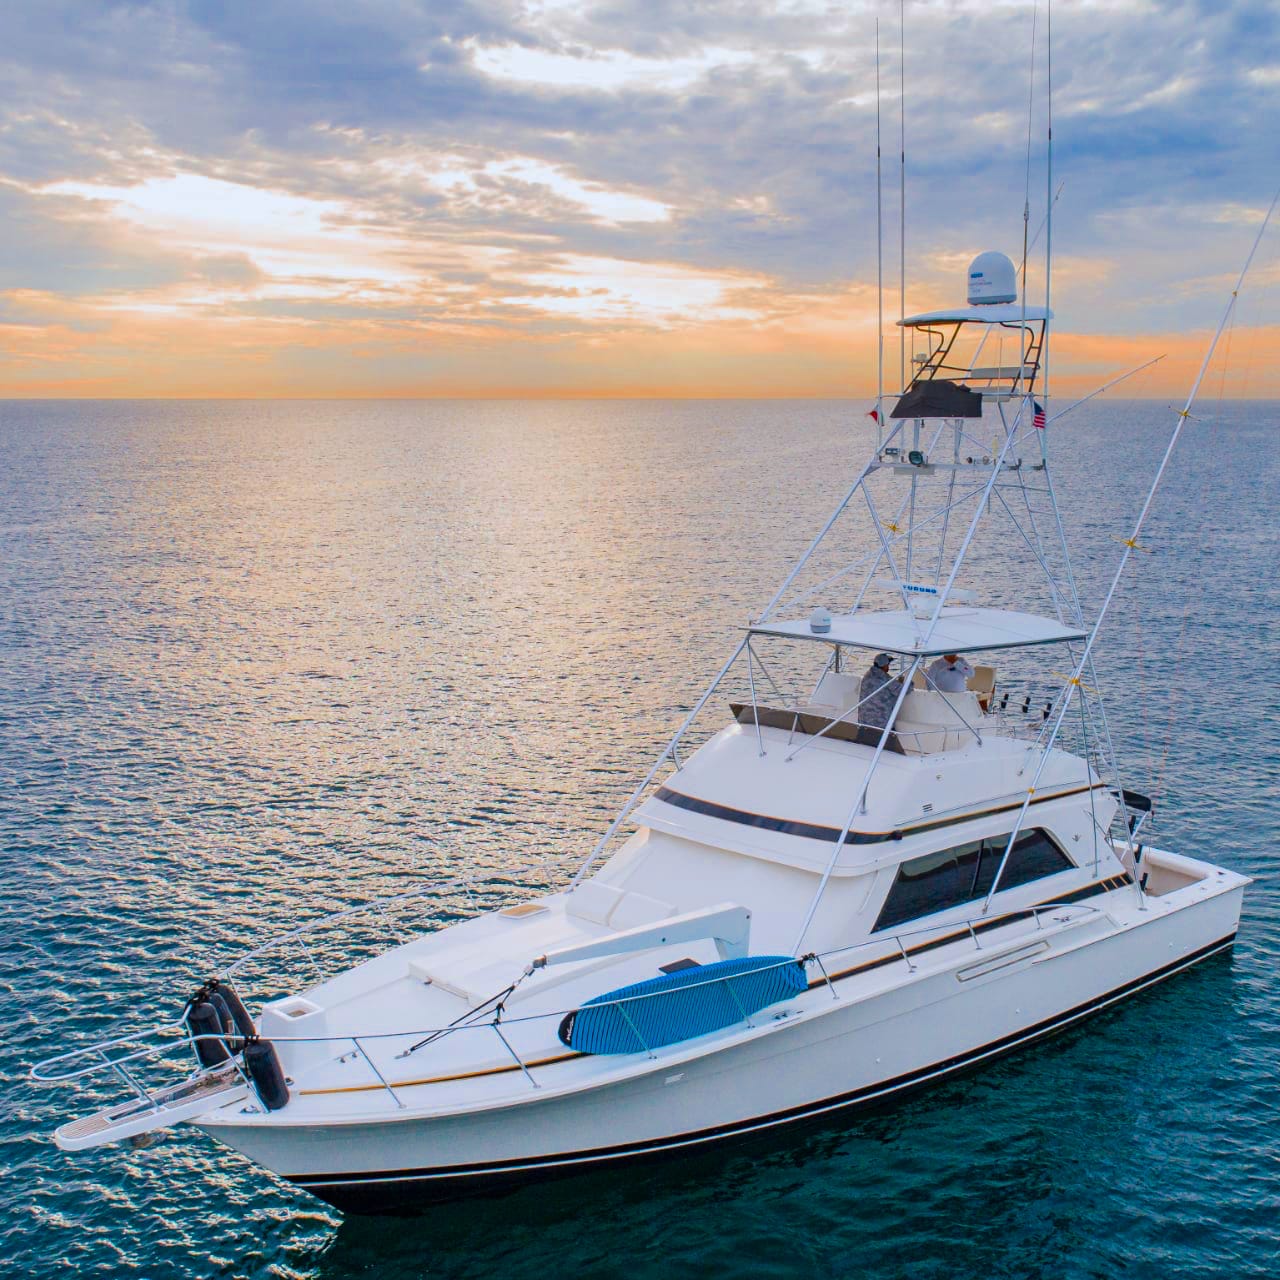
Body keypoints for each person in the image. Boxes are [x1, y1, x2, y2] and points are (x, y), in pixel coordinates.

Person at [859, 653, 904, 729]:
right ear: (885, 665)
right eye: (888, 664)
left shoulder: (867, 675)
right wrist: (905, 681)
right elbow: (903, 689)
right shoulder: (885, 678)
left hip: (864, 722)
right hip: (880, 724)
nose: (888, 666)